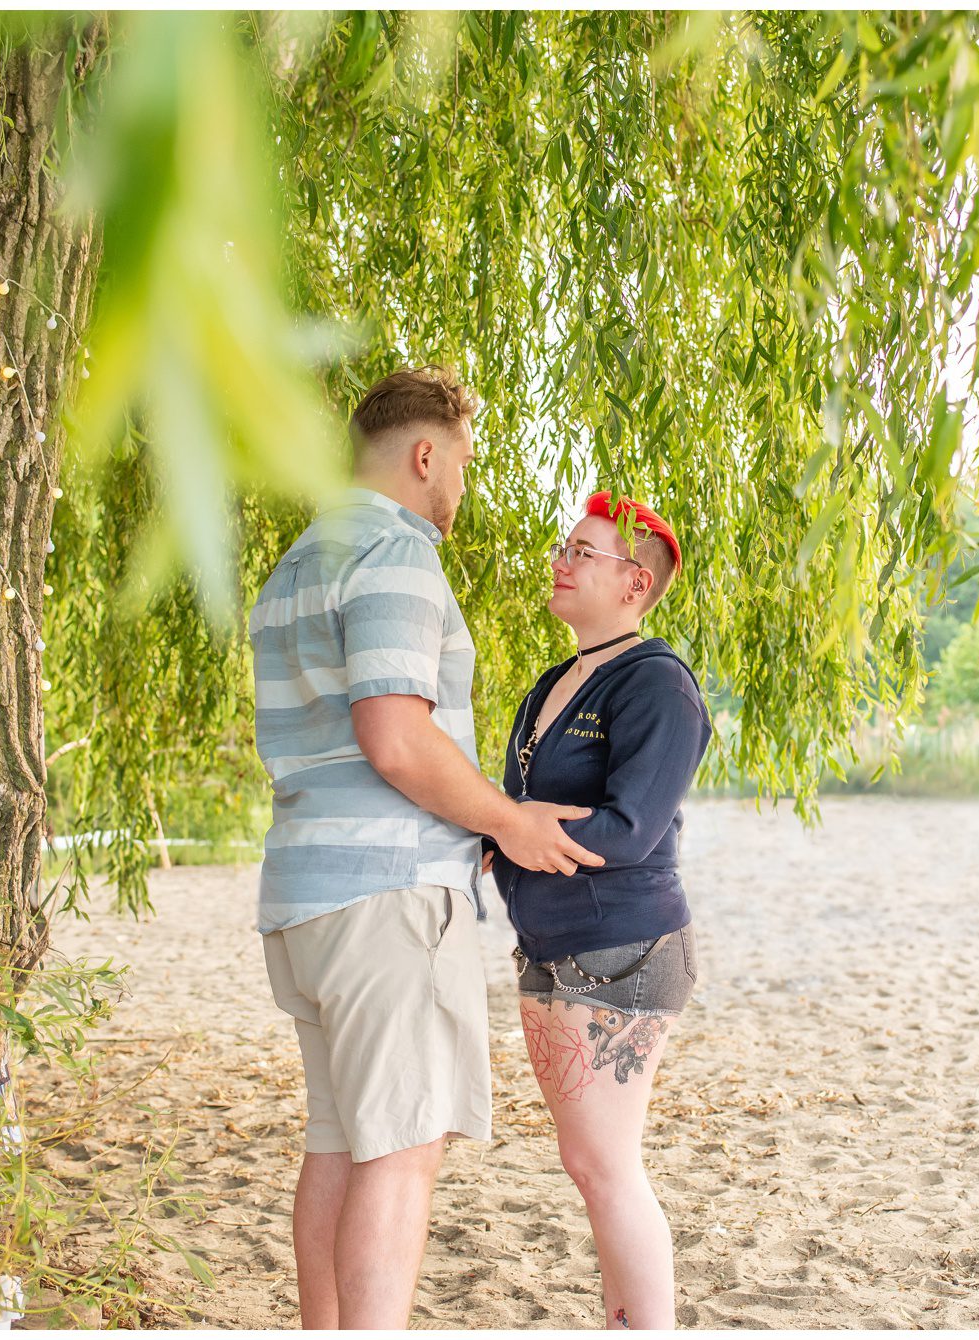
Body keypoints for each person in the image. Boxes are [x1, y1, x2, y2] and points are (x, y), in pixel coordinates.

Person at [248, 366, 603, 1329]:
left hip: (305, 893)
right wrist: (506, 819)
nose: (462, 488)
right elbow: (397, 737)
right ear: (424, 454)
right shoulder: (396, 555)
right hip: (389, 899)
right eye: (464, 465)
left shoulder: (297, 563)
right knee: (401, 1154)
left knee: (341, 1143)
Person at [484, 490, 712, 1330]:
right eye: (564, 545)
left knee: (606, 1166)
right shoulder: (556, 680)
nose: (561, 560)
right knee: (587, 1163)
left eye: (582, 551)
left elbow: (629, 828)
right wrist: (500, 834)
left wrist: (506, 832)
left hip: (622, 945)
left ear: (634, 582)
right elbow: (515, 807)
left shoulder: (656, 682)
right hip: (550, 941)